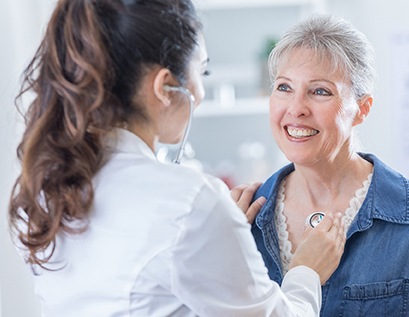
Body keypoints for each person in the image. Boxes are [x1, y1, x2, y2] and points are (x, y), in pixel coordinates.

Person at [8, 1, 345, 316]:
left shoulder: (45, 187)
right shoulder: (188, 203)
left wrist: (218, 245)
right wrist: (306, 271)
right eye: (203, 73)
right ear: (166, 87)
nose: (198, 93)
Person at [250, 14, 409, 316]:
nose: (296, 109)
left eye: (320, 91)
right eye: (284, 87)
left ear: (362, 109)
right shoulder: (242, 222)